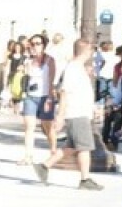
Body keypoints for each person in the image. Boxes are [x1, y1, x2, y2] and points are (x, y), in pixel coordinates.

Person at [36, 40, 103, 190]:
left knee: (71, 146)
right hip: (76, 113)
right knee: (84, 147)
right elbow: (64, 92)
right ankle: (85, 179)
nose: (92, 53)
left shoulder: (78, 68)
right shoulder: (73, 68)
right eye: (91, 50)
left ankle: (44, 166)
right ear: (85, 50)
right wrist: (60, 116)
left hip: (80, 112)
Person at [20, 34, 58, 165]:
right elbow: (26, 79)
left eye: (38, 43)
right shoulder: (28, 61)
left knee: (48, 127)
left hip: (45, 96)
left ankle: (53, 152)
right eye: (32, 44)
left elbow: (52, 81)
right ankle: (28, 156)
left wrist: (49, 98)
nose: (35, 46)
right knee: (28, 126)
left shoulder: (50, 60)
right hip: (31, 96)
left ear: (43, 45)